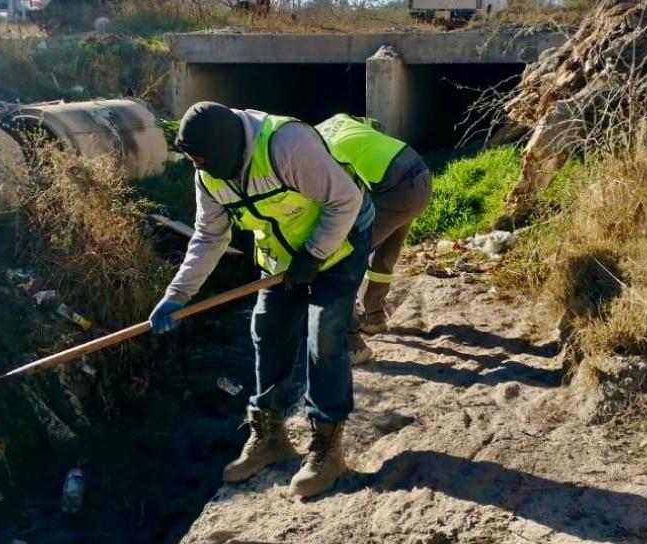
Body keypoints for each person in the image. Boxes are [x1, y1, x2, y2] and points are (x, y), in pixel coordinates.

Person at [148, 102, 374, 499]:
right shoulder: (208, 173)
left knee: (323, 336)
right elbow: (209, 236)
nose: (203, 172)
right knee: (266, 331)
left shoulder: (287, 145)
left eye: (209, 163)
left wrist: (315, 255)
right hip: (283, 259)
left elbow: (345, 200)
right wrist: (177, 294)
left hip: (340, 243)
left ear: (234, 149)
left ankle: (327, 448)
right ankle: (269, 436)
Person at [315, 114, 433, 365]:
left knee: (342, 260)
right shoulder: (340, 119)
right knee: (384, 254)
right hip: (419, 175)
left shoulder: (315, 151)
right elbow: (378, 127)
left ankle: (351, 344)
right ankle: (374, 317)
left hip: (394, 191)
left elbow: (339, 199)